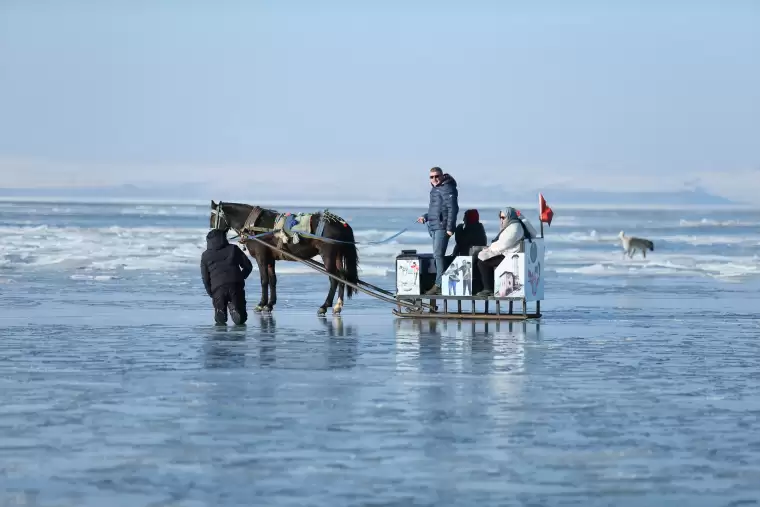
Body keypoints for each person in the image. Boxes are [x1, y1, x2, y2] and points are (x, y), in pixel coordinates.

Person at [475, 207, 537, 297]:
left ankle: (488, 289)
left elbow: (504, 244)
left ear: (509, 216)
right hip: (509, 253)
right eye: (500, 217)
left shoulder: (514, 228)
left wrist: (490, 249)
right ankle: (484, 286)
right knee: (481, 257)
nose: (501, 220)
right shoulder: (514, 225)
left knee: (483, 262)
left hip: (510, 256)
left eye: (503, 217)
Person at [416, 166, 459, 295]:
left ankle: (439, 285)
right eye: (431, 177)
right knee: (437, 255)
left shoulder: (447, 188)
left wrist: (450, 228)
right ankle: (440, 282)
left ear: (442, 176)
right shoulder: (436, 189)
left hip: (442, 227)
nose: (434, 179)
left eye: (437, 176)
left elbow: (453, 209)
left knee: (438, 255)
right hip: (434, 226)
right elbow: (436, 210)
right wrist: (425, 216)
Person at [200, 228, 253, 325]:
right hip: (235, 286)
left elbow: (205, 278)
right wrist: (240, 277)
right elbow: (248, 266)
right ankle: (235, 308)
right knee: (241, 319)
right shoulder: (233, 249)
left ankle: (220, 310)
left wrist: (211, 293)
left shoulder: (205, 256)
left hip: (218, 288)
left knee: (220, 317)